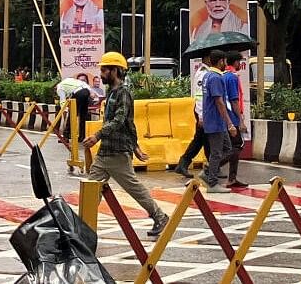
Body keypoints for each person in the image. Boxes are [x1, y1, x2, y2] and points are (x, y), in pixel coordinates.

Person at [80, 52, 169, 238]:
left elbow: (121, 120)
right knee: (91, 188)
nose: (101, 73)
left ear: (115, 71)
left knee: (134, 188)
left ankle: (160, 216)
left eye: (104, 70)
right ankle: (81, 227)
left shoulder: (124, 93)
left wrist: (97, 135)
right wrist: (135, 146)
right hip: (106, 152)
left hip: (118, 153)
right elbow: (130, 123)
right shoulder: (112, 93)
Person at [197, 50, 237, 193]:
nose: (226, 64)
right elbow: (219, 102)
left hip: (214, 120)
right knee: (216, 153)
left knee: (228, 149)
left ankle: (208, 170)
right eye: (225, 61)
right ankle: (212, 183)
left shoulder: (208, 76)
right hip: (215, 121)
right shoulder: (215, 78)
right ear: (221, 61)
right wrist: (230, 123)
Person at [173, 59, 212, 178]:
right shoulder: (203, 74)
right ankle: (211, 168)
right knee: (204, 139)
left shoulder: (205, 72)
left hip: (204, 112)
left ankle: (184, 164)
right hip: (202, 112)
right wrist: (201, 115)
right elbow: (200, 96)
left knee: (201, 140)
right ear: (208, 58)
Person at [221, 51, 249, 189]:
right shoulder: (232, 78)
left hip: (225, 117)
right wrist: (241, 120)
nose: (240, 64)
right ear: (236, 62)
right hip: (232, 117)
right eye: (239, 61)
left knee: (233, 146)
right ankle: (213, 166)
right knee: (238, 146)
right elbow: (234, 100)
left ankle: (232, 178)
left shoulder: (224, 76)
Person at [54, 75, 92, 143]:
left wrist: (64, 110)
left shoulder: (59, 88)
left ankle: (66, 136)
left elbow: (62, 101)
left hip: (79, 92)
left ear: (55, 87)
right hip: (87, 91)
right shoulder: (68, 80)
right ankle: (82, 137)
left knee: (72, 114)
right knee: (83, 115)